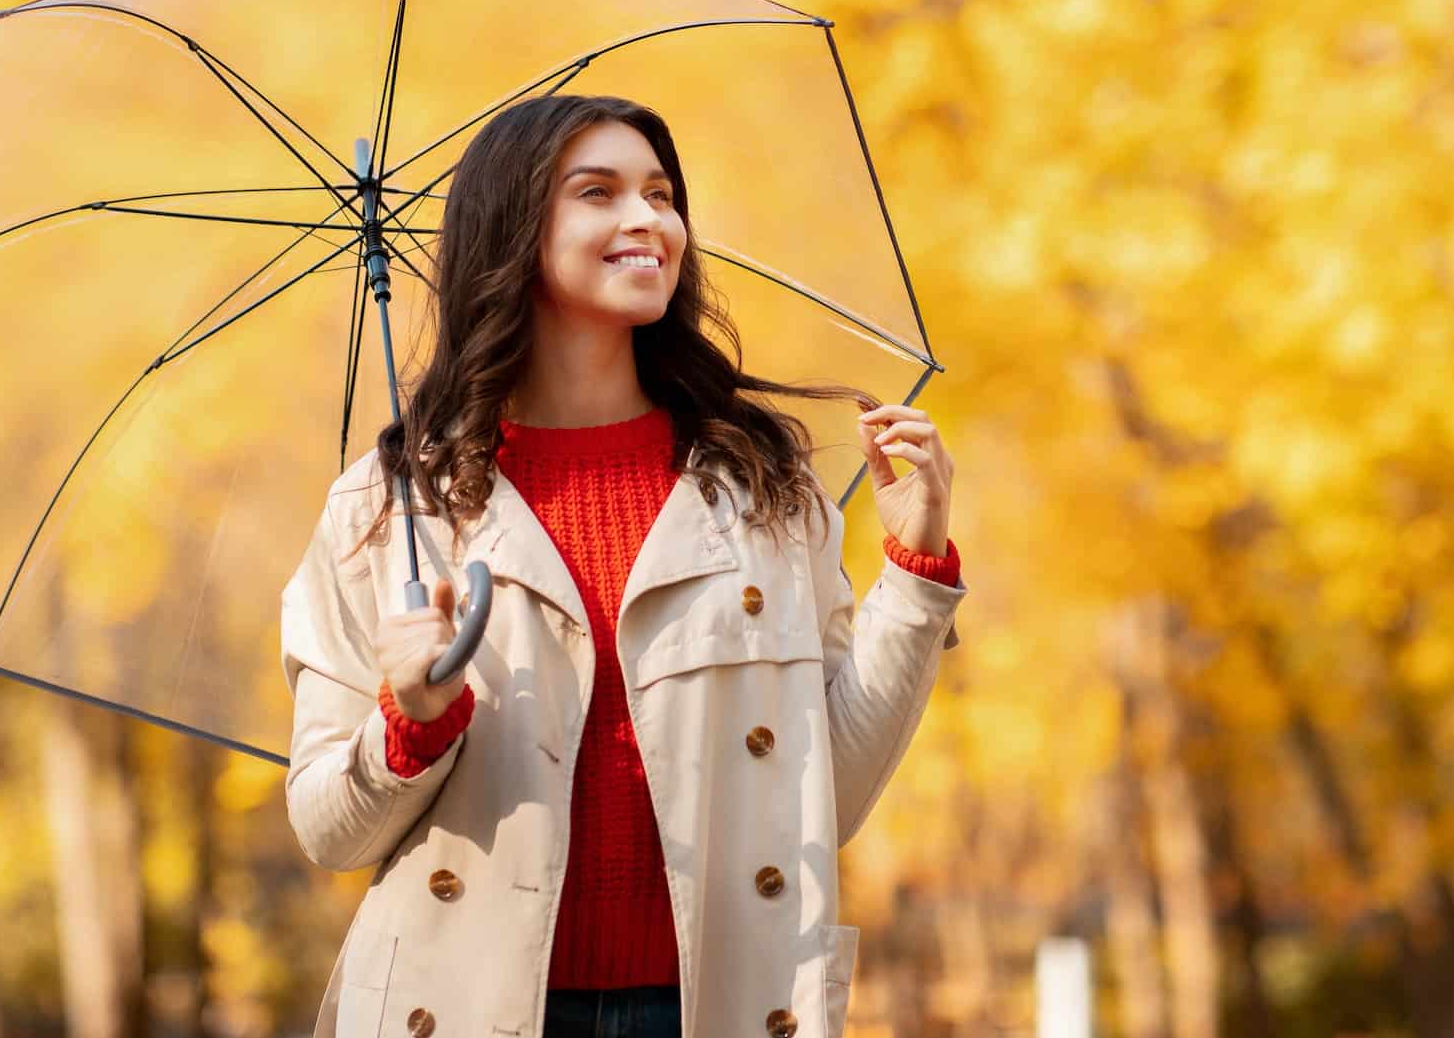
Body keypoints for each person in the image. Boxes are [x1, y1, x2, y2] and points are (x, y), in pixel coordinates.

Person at [280, 94, 967, 1038]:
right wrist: (410, 721)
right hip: (466, 1009)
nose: (648, 220)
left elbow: (828, 796)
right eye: (598, 193)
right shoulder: (393, 506)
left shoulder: (759, 483)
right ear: (513, 233)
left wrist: (917, 569)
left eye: (661, 193)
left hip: (716, 1003)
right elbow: (328, 828)